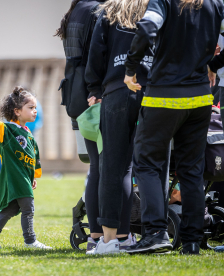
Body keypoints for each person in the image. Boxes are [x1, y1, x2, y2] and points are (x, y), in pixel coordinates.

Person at [124, 0, 224, 255]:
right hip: (201, 98)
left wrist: (130, 69)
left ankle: (156, 234)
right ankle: (191, 242)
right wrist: (214, 65)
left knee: (146, 163)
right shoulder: (216, 3)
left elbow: (147, 28)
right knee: (192, 171)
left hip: (163, 97)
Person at [84, 0, 154, 254]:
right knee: (153, 166)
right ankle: (156, 234)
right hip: (154, 92)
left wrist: (94, 88)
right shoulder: (159, 9)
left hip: (116, 91)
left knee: (113, 167)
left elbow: (96, 52)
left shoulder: (109, 11)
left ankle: (112, 239)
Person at [55, 0, 106, 252]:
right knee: (105, 166)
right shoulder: (97, 9)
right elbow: (98, 54)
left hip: (77, 92)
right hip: (93, 94)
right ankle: (104, 234)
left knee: (95, 166)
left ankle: (96, 234)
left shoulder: (78, 8)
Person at [0, 86, 52, 250]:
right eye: (31, 108)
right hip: (15, 178)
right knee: (28, 208)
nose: (35, 111)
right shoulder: (9, 129)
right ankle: (30, 241)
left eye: (35, 108)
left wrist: (32, 177)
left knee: (10, 209)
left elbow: (32, 159)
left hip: (24, 178)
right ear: (17, 111)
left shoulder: (28, 133)